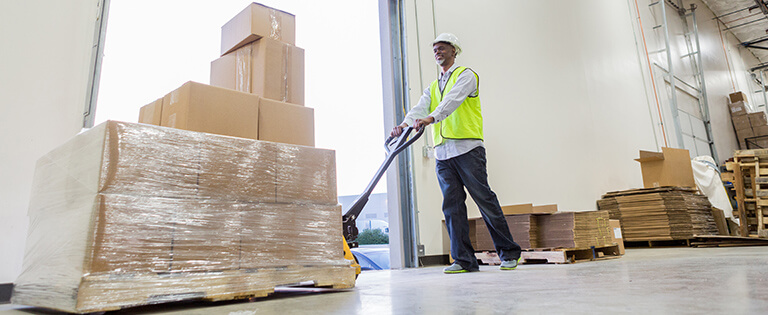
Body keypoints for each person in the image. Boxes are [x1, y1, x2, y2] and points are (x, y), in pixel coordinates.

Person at [390, 33, 522, 273]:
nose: (437, 52)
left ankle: (509, 253)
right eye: (434, 50)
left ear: (454, 50)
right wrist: (403, 125)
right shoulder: (433, 86)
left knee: (484, 200)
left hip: (468, 149)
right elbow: (419, 108)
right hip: (442, 154)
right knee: (452, 207)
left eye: (442, 48)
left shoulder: (466, 76)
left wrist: (432, 117)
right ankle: (463, 260)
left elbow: (452, 101)